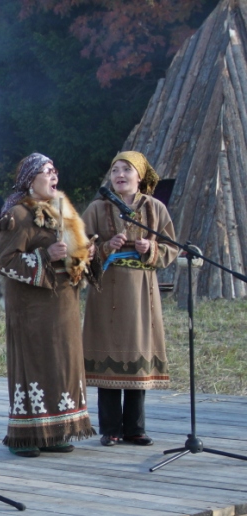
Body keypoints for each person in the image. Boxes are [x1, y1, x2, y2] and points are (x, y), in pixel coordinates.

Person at [0, 153, 96, 457]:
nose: (53, 177)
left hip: (63, 303)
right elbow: (4, 261)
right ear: (30, 179)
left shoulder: (63, 211)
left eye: (55, 171)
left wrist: (86, 254)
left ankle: (56, 431)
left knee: (61, 363)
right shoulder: (18, 215)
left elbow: (74, 254)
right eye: (46, 172)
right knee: (35, 364)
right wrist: (44, 256)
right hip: (30, 307)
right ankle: (25, 435)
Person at [82, 152, 176, 447]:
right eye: (114, 170)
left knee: (139, 350)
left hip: (142, 292)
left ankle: (135, 427)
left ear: (140, 176)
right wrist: (105, 247)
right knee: (108, 350)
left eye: (126, 169)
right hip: (106, 290)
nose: (119, 174)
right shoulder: (97, 208)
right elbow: (79, 247)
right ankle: (109, 428)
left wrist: (152, 247)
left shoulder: (155, 208)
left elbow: (171, 248)